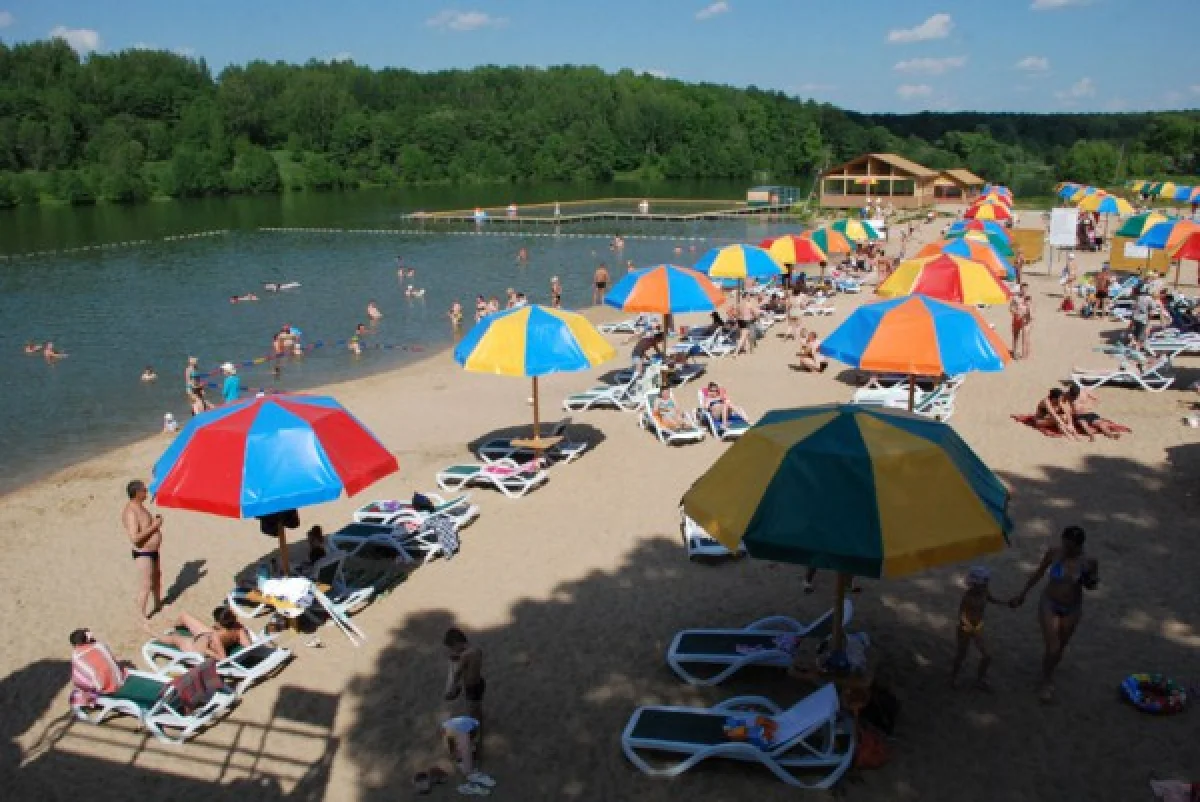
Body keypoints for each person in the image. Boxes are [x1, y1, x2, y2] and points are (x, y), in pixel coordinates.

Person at [1010, 526, 1098, 704]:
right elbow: (1038, 573)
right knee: (1053, 646)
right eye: (1065, 544)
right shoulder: (1054, 553)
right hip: (1049, 602)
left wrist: (1089, 580)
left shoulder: (1089, 562)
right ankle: (1046, 681)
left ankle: (1048, 669)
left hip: (1072, 606)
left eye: (1071, 546)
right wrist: (1022, 594)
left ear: (1079, 546)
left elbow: (1093, 585)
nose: (1067, 549)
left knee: (1061, 645)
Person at [950, 566, 1007, 690]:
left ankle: (980, 679)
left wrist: (1006, 603)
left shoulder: (985, 592)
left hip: (977, 627)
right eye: (983, 583)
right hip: (965, 629)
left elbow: (992, 599)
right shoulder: (967, 597)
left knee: (987, 655)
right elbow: (962, 615)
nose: (986, 585)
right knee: (961, 654)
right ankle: (953, 677)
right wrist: (970, 627)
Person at [146, 606, 252, 661]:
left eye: (216, 621)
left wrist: (207, 651)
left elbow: (223, 658)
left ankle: (152, 633)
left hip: (195, 647)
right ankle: (174, 627)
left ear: (219, 623)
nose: (215, 623)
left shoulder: (216, 637)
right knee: (184, 616)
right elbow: (249, 646)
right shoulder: (238, 628)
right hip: (207, 636)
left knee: (174, 639)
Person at [123, 479, 164, 619]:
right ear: (137, 493)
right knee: (146, 585)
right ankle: (141, 616)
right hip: (143, 553)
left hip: (153, 551)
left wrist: (155, 522)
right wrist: (155, 526)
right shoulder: (131, 512)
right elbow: (135, 538)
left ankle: (158, 604)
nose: (147, 492)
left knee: (157, 577)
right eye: (144, 490)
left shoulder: (140, 506)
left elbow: (145, 525)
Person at [440, 716, 495, 795]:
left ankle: (471, 776)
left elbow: (465, 748)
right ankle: (470, 780)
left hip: (461, 729)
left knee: (465, 752)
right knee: (464, 752)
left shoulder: (464, 731)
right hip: (458, 730)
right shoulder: (458, 733)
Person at [444, 628, 486, 731]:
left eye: (453, 647)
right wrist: (458, 656)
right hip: (480, 683)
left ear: (457, 643)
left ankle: (476, 730)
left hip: (471, 686)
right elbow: (472, 659)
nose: (453, 650)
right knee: (477, 706)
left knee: (471, 710)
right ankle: (480, 720)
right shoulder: (476, 650)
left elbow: (457, 672)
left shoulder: (464, 656)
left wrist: (452, 688)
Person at [70, 629, 128, 701]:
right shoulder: (100, 645)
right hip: (119, 679)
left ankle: (92, 697)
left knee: (79, 679)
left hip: (103, 688)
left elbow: (78, 676)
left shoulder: (77, 656)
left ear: (76, 644)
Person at [1009, 289, 1030, 359]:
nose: (1024, 290)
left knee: (1025, 337)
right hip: (1017, 318)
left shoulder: (1028, 298)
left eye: (1026, 288)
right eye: (1023, 288)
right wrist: (1016, 312)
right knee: (1016, 336)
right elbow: (1010, 308)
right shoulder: (1015, 298)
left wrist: (1027, 315)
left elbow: (1031, 310)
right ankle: (1015, 352)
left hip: (1025, 320)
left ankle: (1025, 354)